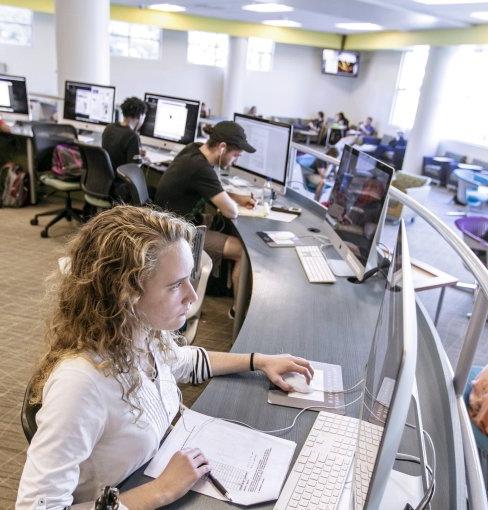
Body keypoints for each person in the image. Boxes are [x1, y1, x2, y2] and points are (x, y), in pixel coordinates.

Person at [16, 206, 313, 510]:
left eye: (189, 279)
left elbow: (186, 361)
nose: (192, 296)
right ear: (126, 294)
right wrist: (162, 491)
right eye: (175, 286)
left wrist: (258, 361)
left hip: (149, 470)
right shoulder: (81, 384)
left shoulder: (142, 333)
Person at [154, 121, 256, 315]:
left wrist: (238, 198)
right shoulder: (201, 168)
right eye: (235, 156)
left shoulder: (193, 150)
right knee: (242, 251)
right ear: (222, 147)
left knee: (219, 225)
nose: (235, 161)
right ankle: (238, 311)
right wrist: (235, 203)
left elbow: (212, 189)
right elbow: (231, 212)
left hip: (169, 222)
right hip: (176, 235)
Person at [101, 96, 147, 201]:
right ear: (140, 116)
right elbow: (134, 169)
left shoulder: (109, 128)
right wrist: (141, 158)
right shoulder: (132, 136)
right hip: (118, 187)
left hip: (103, 182)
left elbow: (114, 149)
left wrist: (135, 151)